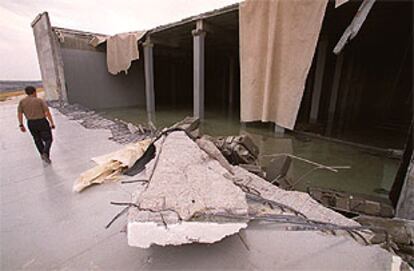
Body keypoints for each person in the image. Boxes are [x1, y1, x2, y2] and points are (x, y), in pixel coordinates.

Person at [17, 86, 55, 163]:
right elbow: (47, 112)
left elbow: (19, 113)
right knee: (48, 139)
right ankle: (45, 152)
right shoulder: (39, 101)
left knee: (37, 139)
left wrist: (21, 124)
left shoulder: (22, 102)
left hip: (31, 123)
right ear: (34, 92)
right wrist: (51, 123)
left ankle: (42, 154)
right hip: (42, 121)